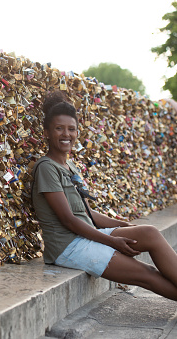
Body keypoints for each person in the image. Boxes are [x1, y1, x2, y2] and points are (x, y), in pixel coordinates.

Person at [32, 91, 177, 301]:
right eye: (59, 128)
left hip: (85, 235)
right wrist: (112, 242)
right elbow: (68, 220)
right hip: (69, 247)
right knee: (147, 275)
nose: (66, 134)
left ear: (77, 132)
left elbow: (86, 213)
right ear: (46, 132)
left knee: (150, 233)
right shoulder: (46, 168)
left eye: (71, 129)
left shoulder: (69, 166)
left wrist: (123, 225)